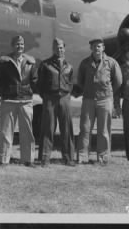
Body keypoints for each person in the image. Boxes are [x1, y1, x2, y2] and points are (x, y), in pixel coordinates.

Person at [75, 37, 122, 165]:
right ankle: (83, 156)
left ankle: (103, 157)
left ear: (103, 48)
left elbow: (118, 82)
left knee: (104, 130)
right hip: (88, 100)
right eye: (94, 46)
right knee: (85, 128)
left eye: (99, 46)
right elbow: (80, 81)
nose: (97, 48)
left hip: (105, 100)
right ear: (91, 48)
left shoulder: (111, 63)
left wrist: (108, 91)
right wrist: (88, 90)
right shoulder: (85, 63)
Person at [0, 35, 38, 167]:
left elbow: (34, 81)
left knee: (27, 133)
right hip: (9, 101)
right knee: (6, 133)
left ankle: (28, 159)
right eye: (17, 44)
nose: (20, 46)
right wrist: (4, 93)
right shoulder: (4, 62)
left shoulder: (30, 62)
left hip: (25, 101)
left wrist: (29, 92)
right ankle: (4, 160)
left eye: (22, 44)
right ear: (12, 45)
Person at [37, 38, 75, 167]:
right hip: (50, 99)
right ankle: (45, 158)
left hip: (64, 98)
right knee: (48, 128)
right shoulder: (45, 65)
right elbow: (40, 84)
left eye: (61, 47)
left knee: (67, 129)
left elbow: (70, 84)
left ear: (64, 48)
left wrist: (66, 94)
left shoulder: (69, 66)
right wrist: (47, 96)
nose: (59, 49)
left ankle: (69, 158)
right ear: (53, 49)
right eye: (57, 47)